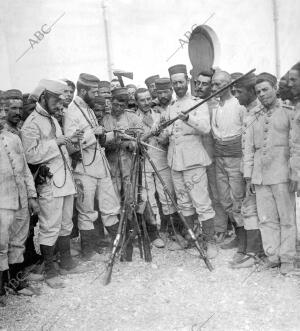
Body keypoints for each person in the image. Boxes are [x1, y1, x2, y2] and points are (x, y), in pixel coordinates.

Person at [21, 79, 81, 288]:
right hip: (48, 183)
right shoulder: (31, 123)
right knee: (49, 227)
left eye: (61, 100)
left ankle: (66, 263)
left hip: (64, 180)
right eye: (55, 99)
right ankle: (50, 271)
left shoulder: (53, 119)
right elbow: (30, 155)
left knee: (66, 224)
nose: (59, 104)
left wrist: (70, 139)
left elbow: (61, 147)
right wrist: (56, 143)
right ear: (44, 97)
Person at [244, 72, 298, 275]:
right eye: (258, 92)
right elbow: (248, 148)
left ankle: (288, 259)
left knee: (287, 218)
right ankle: (272, 256)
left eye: (266, 89)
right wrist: (249, 175)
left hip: (283, 174)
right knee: (266, 219)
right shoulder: (253, 115)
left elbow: (295, 145)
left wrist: (295, 172)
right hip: (260, 174)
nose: (262, 94)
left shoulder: (289, 112)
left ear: (275, 88)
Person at [64, 73, 120, 262]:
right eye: (94, 91)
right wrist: (92, 133)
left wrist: (109, 134)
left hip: (100, 166)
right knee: (87, 211)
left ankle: (118, 244)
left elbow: (97, 137)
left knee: (110, 205)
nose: (96, 95)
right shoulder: (71, 111)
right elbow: (70, 144)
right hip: (84, 169)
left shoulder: (86, 108)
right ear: (83, 90)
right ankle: (88, 252)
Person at [166, 64, 216, 257]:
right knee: (183, 202)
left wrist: (188, 118)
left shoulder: (199, 102)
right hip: (175, 160)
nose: (178, 86)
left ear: (187, 81)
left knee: (201, 202)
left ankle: (210, 243)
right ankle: (191, 239)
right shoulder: (170, 107)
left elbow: (205, 128)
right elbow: (168, 132)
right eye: (174, 83)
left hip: (193, 159)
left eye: (181, 82)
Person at [0, 121, 39, 306]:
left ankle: (16, 283)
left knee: (18, 242)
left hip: (21, 199)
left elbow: (25, 170)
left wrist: (31, 196)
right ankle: (0, 290)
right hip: (2, 202)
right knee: (0, 245)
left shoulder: (14, 138)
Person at [230, 73, 265, 268]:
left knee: (253, 208)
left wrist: (250, 173)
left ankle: (254, 252)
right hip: (248, 167)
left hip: (259, 169)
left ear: (252, 92)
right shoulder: (248, 111)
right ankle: (251, 249)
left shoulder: (260, 112)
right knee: (247, 207)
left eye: (239, 92)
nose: (236, 95)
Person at [135, 87, 175, 249]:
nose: (145, 103)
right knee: (148, 198)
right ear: (136, 102)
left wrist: (160, 134)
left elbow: (166, 140)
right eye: (141, 100)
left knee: (167, 194)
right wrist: (149, 133)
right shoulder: (132, 117)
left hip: (161, 160)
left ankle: (173, 230)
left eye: (147, 99)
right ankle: (153, 233)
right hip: (144, 162)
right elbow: (133, 142)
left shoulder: (159, 114)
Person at [211, 70, 246, 250]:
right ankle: (236, 232)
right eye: (213, 84)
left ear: (229, 84)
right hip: (220, 158)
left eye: (219, 84)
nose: (215, 88)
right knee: (225, 199)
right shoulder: (215, 107)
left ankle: (244, 240)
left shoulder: (239, 104)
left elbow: (244, 133)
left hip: (235, 158)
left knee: (238, 198)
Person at [194, 70, 228, 242]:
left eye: (204, 84)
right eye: (197, 83)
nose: (199, 87)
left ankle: (221, 227)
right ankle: (204, 228)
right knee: (200, 193)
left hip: (212, 156)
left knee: (216, 192)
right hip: (194, 158)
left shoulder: (216, 106)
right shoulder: (191, 104)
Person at [102, 87, 143, 197]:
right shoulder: (104, 119)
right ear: (111, 102)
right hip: (111, 164)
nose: (118, 108)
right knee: (113, 196)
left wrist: (132, 145)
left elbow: (142, 141)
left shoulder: (133, 118)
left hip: (130, 165)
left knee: (131, 196)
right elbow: (100, 142)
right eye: (115, 105)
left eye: (122, 106)